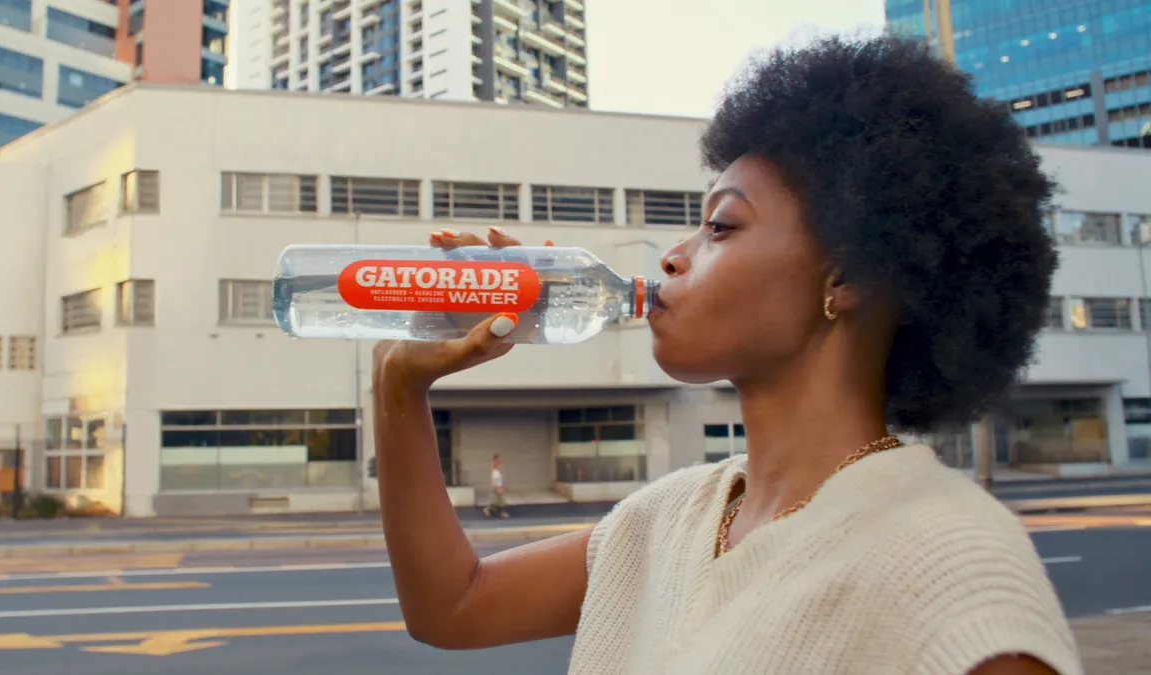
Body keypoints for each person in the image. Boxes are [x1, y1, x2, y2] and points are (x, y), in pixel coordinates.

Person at [369, 33, 1082, 675]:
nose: (674, 257)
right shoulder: (671, 518)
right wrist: (400, 387)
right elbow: (452, 606)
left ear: (847, 275)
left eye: (721, 225)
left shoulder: (954, 568)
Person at [482, 454, 509, 518]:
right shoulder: (495, 472)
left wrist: (502, 486)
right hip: (497, 487)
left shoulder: (497, 472)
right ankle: (488, 510)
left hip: (498, 487)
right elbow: (494, 481)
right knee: (499, 501)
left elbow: (499, 480)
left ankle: (501, 513)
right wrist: (497, 488)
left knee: (498, 502)